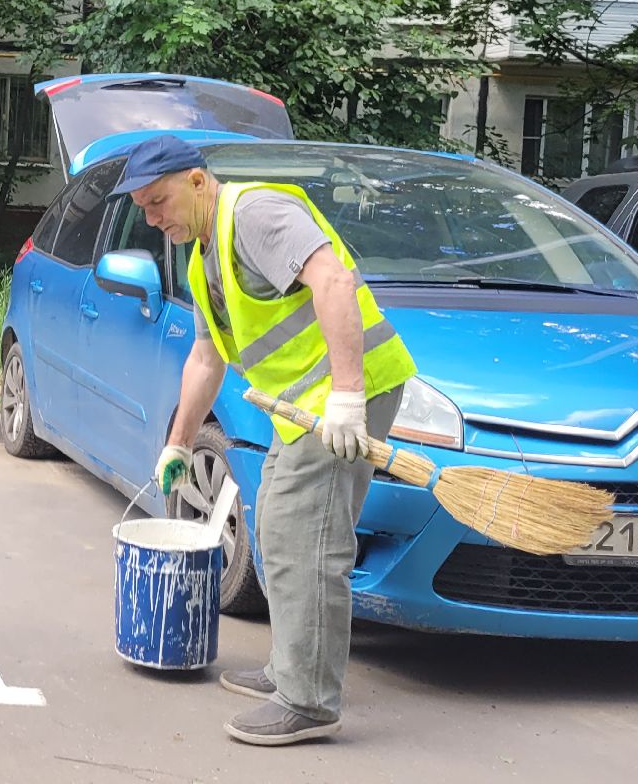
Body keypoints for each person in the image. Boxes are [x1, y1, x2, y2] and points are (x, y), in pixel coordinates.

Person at [113, 134, 416, 746]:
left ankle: (309, 700)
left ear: (197, 180)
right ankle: (290, 668)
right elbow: (206, 359)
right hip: (302, 410)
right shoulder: (203, 259)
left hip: (343, 398)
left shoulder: (253, 213)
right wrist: (179, 443)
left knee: (308, 540)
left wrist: (348, 396)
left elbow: (333, 281)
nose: (153, 219)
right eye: (143, 209)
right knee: (276, 528)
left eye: (158, 201)